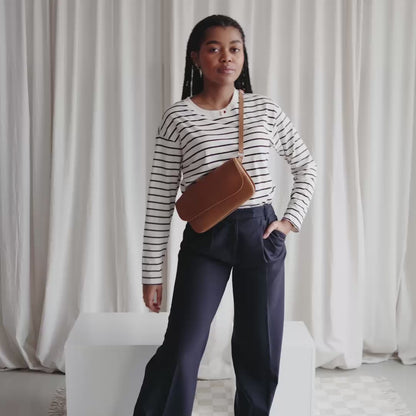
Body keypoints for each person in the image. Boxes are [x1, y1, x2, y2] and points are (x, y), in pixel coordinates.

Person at [133, 14, 317, 416]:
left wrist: (288, 221)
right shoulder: (178, 118)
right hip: (206, 237)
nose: (226, 57)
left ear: (243, 55)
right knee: (181, 348)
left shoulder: (265, 109)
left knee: (260, 349)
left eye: (235, 48)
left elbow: (306, 166)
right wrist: (151, 273)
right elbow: (160, 198)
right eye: (214, 48)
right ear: (196, 57)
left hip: (261, 232)